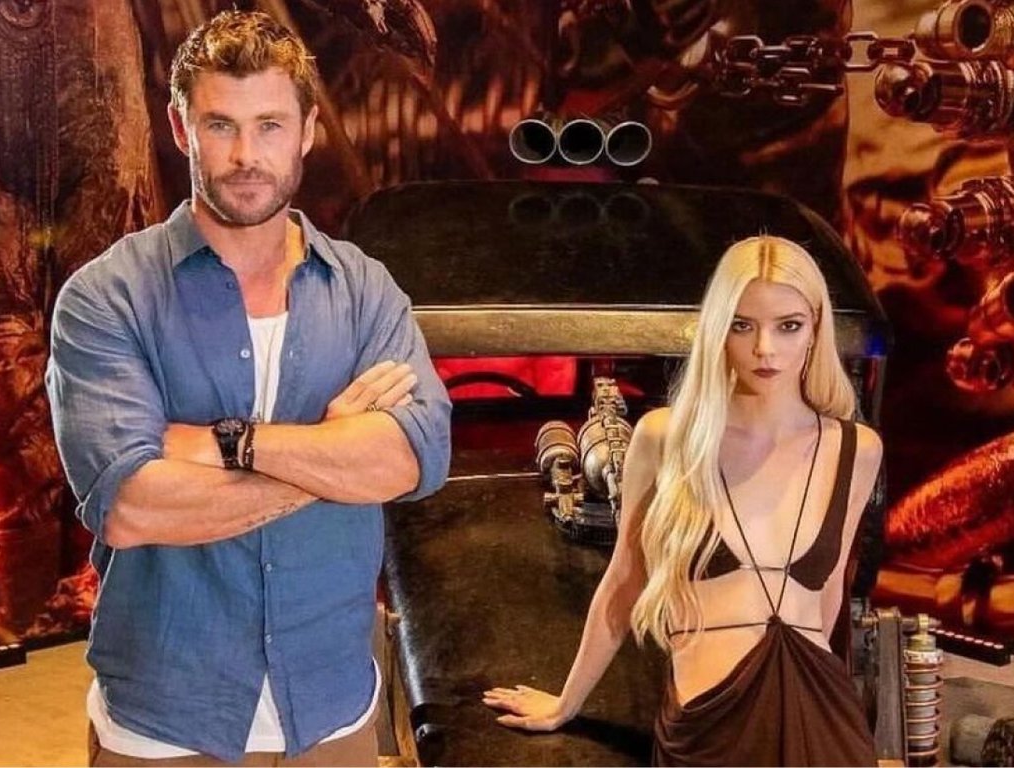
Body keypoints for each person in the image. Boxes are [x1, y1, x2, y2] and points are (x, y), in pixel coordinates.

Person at [45, 11, 451, 766]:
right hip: (166, 718)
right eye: (220, 125)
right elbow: (132, 507)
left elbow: (413, 457)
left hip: (331, 710)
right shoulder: (107, 298)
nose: (245, 156)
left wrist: (227, 445)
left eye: (269, 125)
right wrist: (330, 457)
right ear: (181, 129)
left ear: (307, 132)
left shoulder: (363, 289)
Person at [483, 233, 882, 765]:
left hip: (823, 721)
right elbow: (625, 579)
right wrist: (566, 703)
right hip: (711, 730)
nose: (765, 349)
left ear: (815, 329)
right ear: (717, 330)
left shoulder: (856, 449)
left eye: (788, 326)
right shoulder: (665, 437)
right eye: (742, 325)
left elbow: (827, 599)